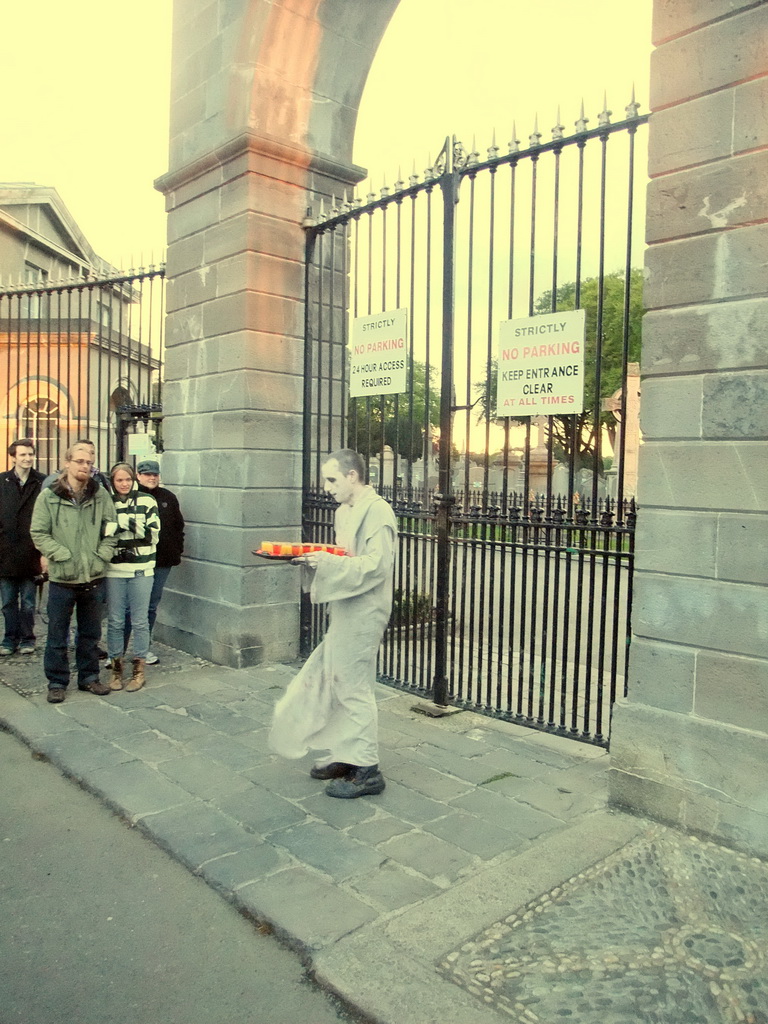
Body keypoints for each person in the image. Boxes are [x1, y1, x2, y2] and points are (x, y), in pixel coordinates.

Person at [269, 448, 397, 799]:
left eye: (332, 479)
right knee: (338, 680)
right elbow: (345, 559)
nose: (326, 487)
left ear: (353, 476)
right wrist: (312, 561)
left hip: (366, 610)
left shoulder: (378, 511)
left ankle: (368, 769)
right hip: (345, 607)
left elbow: (376, 566)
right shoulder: (345, 511)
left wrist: (325, 563)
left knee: (353, 685)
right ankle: (347, 755)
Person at [30, 443, 117, 703]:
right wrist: (62, 555)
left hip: (93, 577)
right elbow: (39, 533)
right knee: (57, 634)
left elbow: (111, 528)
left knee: (90, 634)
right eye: (79, 461)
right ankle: (57, 681)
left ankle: (89, 678)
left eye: (88, 463)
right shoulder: (49, 496)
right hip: (62, 579)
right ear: (67, 463)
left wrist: (102, 555)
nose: (84, 467)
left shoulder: (99, 494)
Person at [105, 463, 159, 692]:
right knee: (116, 621)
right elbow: (100, 530)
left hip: (142, 568)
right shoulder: (106, 503)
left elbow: (152, 535)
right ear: (113, 482)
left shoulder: (148, 501)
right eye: (119, 480)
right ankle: (116, 670)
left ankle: (139, 671)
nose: (124, 484)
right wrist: (132, 526)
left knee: (139, 620)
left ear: (133, 479)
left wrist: (117, 526)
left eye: (128, 479)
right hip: (114, 570)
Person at [133, 458, 184, 664]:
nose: (151, 478)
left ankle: (144, 648)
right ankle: (120, 649)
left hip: (162, 560)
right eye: (147, 474)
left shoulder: (168, 497)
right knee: (132, 606)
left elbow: (178, 526)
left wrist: (176, 550)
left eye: (154, 474)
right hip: (136, 560)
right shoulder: (131, 496)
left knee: (151, 605)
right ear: (138, 476)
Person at [0, 439, 47, 656]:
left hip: (31, 552)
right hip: (6, 552)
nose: (27, 458)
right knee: (8, 602)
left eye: (30, 454)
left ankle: (28, 638)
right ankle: (9, 639)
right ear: (13, 457)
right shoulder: (2, 481)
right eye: (22, 455)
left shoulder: (41, 482)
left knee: (28, 603)